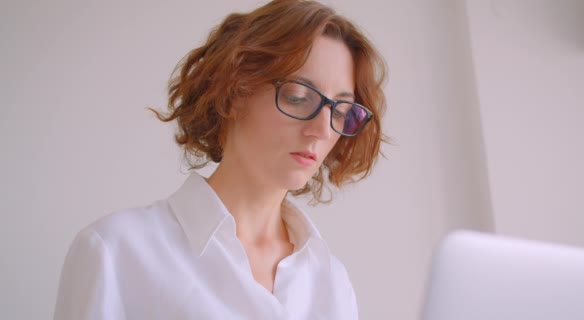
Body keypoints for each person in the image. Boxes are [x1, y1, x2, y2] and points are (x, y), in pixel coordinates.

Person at [53, 0, 386, 319]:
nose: (322, 129)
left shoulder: (330, 280)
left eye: (341, 110)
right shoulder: (116, 252)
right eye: (298, 97)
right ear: (235, 90)